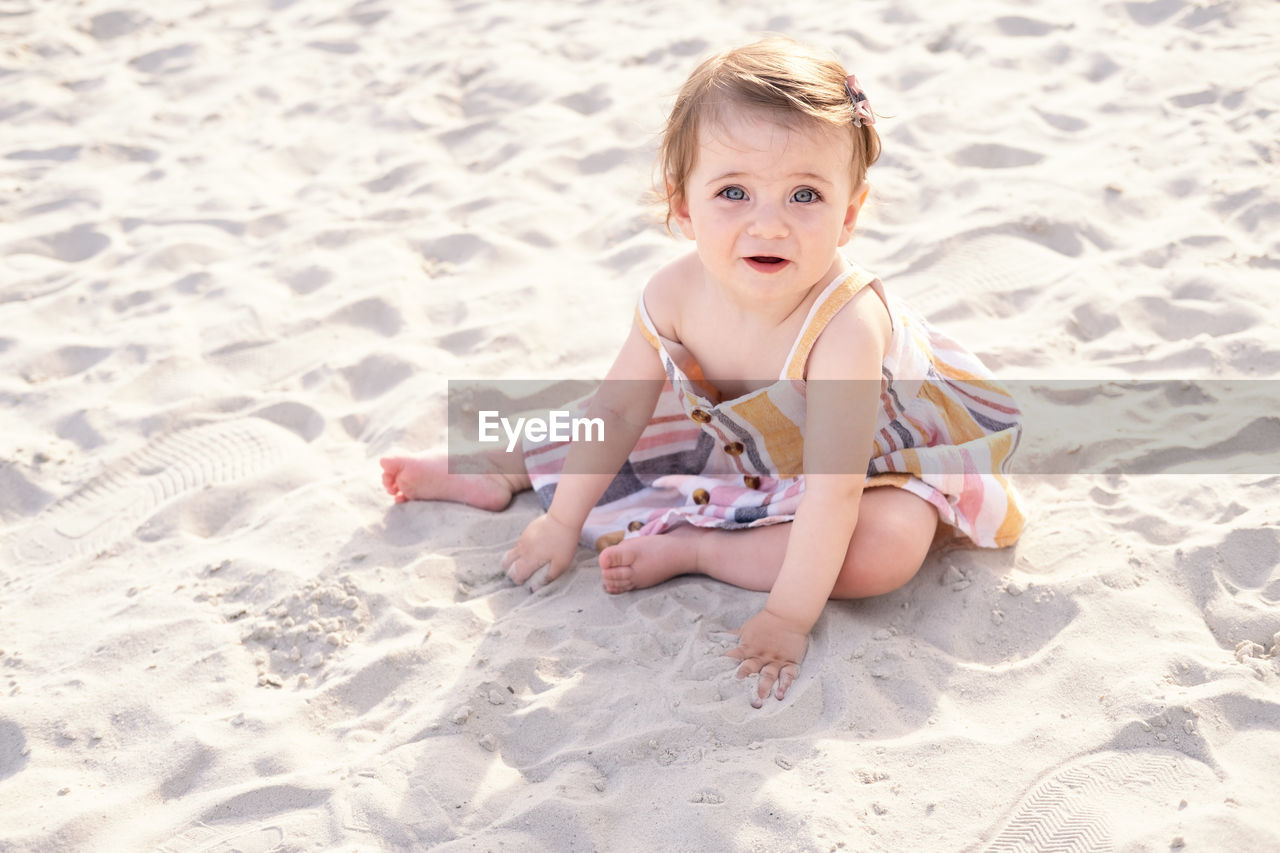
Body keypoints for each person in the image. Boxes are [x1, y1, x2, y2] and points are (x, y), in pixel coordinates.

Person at [380, 37, 1025, 706]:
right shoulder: (674, 295)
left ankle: (698, 547)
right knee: (633, 413)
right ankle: (504, 461)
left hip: (874, 456)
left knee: (885, 549)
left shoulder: (846, 328)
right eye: (734, 192)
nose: (768, 224)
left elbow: (834, 492)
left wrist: (787, 616)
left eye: (805, 194)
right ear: (683, 205)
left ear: (850, 213)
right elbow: (615, 411)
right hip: (748, 428)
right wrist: (561, 523)